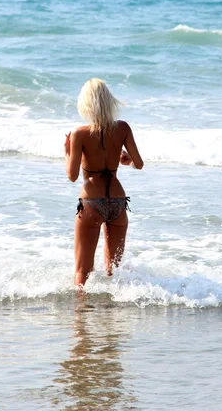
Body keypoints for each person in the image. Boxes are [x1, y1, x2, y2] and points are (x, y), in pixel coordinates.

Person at [64, 78, 143, 287]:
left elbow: (72, 176)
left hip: (91, 204)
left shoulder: (79, 133)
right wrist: (127, 162)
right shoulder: (123, 128)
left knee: (82, 271)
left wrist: (67, 153)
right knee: (114, 270)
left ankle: (80, 316)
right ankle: (111, 316)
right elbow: (139, 164)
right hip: (118, 203)